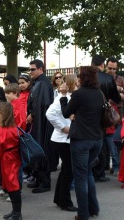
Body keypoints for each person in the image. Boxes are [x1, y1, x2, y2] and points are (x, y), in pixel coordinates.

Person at [60, 66, 103, 220]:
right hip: (97, 139)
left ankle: (83, 214)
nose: (77, 77)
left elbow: (65, 112)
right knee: (88, 172)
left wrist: (63, 96)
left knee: (80, 177)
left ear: (82, 78)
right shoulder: (99, 93)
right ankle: (93, 208)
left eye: (78, 75)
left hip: (81, 141)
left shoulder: (79, 94)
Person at [46, 75, 78, 212]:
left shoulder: (67, 97)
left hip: (63, 139)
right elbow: (49, 114)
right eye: (76, 83)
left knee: (66, 170)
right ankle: (65, 202)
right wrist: (63, 128)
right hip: (63, 139)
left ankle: (60, 199)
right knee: (68, 171)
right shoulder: (63, 98)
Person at [91, 55, 121, 182]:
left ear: (92, 64)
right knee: (100, 144)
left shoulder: (85, 76)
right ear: (103, 65)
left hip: (86, 115)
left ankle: (91, 169)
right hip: (102, 114)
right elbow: (116, 97)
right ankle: (99, 172)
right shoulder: (108, 78)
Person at [27, 59, 54, 193]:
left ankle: (44, 182)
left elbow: (42, 104)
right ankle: (39, 179)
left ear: (40, 69)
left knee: (42, 149)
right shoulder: (39, 83)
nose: (30, 72)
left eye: (32, 69)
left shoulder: (42, 83)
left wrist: (32, 114)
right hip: (39, 123)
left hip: (41, 124)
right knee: (39, 149)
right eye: (30, 69)